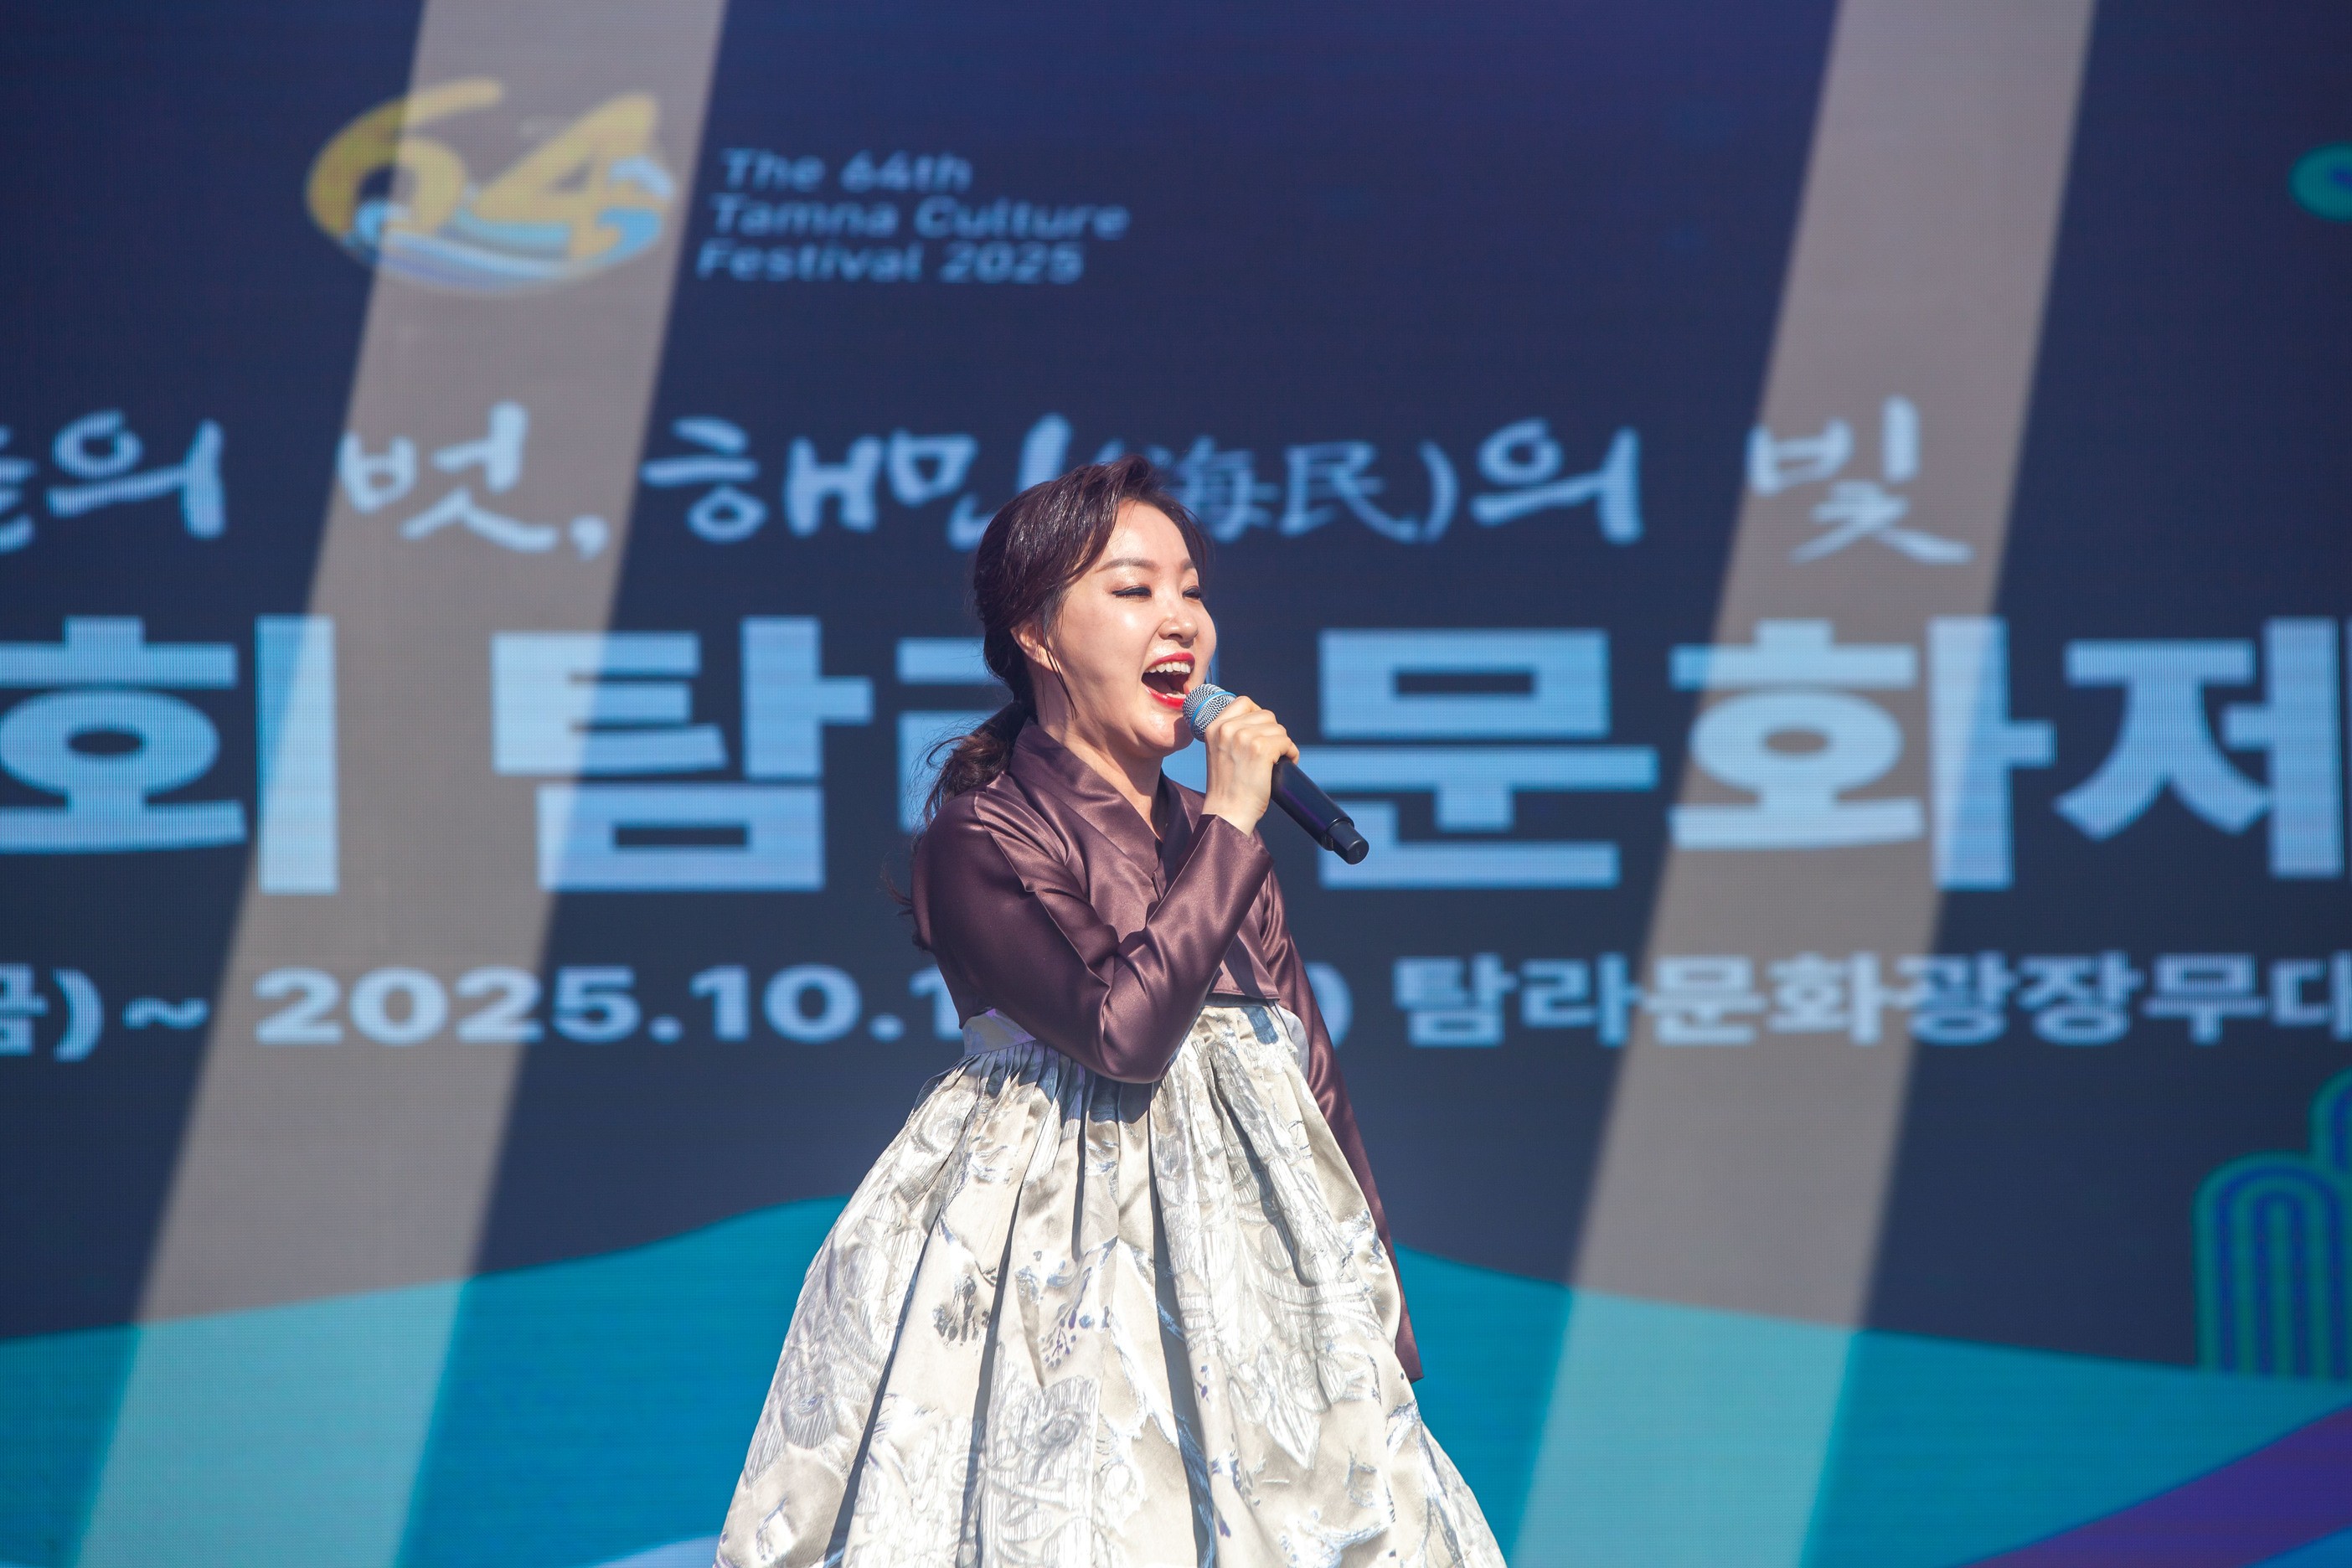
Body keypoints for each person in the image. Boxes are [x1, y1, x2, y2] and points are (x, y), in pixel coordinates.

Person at [713, 458, 1504, 1568]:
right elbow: (1123, 1035)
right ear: (1037, 635)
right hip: (1061, 1267)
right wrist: (1233, 826)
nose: (1180, 619)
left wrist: (1375, 1308)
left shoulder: (1220, 840)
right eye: (1133, 590)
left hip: (1254, 1272)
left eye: (1191, 590)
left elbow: (1310, 1080)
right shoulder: (984, 835)